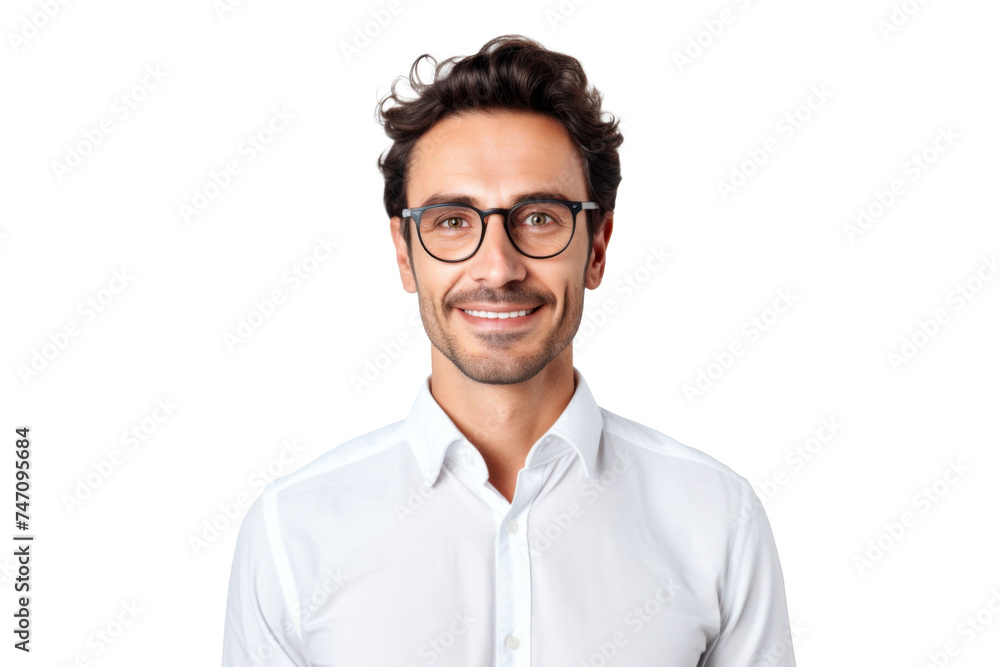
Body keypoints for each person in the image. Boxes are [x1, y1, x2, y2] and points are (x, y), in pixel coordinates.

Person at [222, 34, 796, 666]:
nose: (497, 268)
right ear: (404, 254)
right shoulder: (292, 530)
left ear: (597, 247)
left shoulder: (717, 519)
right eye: (452, 221)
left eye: (539, 217)